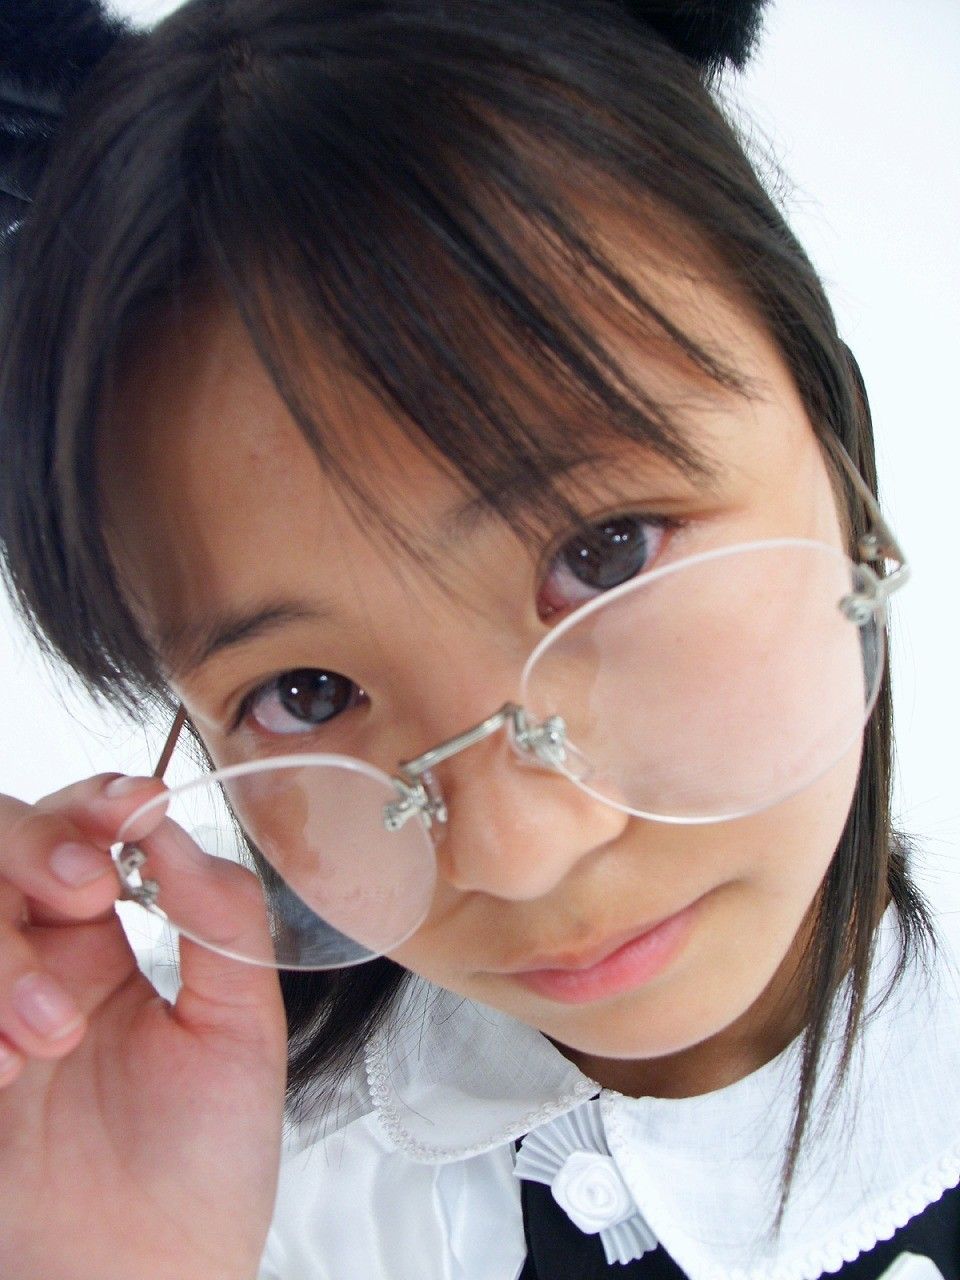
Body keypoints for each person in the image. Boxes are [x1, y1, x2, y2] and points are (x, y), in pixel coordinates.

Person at [0, 2, 957, 1278]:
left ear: (837, 440)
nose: (517, 851)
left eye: (607, 552)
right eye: (308, 689)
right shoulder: (226, 1182)